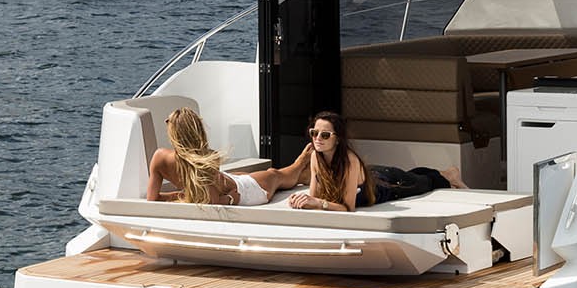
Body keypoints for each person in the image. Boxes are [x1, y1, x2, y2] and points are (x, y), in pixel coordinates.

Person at [266, 111, 465, 211]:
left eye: (325, 135)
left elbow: (348, 207)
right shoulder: (315, 158)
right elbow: (316, 196)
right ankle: (445, 173)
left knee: (423, 183)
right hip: (372, 174)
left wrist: (319, 203)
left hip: (384, 186)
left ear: (338, 139)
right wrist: (303, 201)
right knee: (413, 176)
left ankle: (449, 175)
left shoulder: (349, 160)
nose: (317, 138)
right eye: (314, 133)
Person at [146, 107, 274, 206]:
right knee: (276, 175)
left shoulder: (159, 157)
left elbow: (152, 198)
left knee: (270, 174)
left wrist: (184, 196)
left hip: (235, 183)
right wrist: (231, 199)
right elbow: (213, 201)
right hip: (243, 190)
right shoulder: (208, 158)